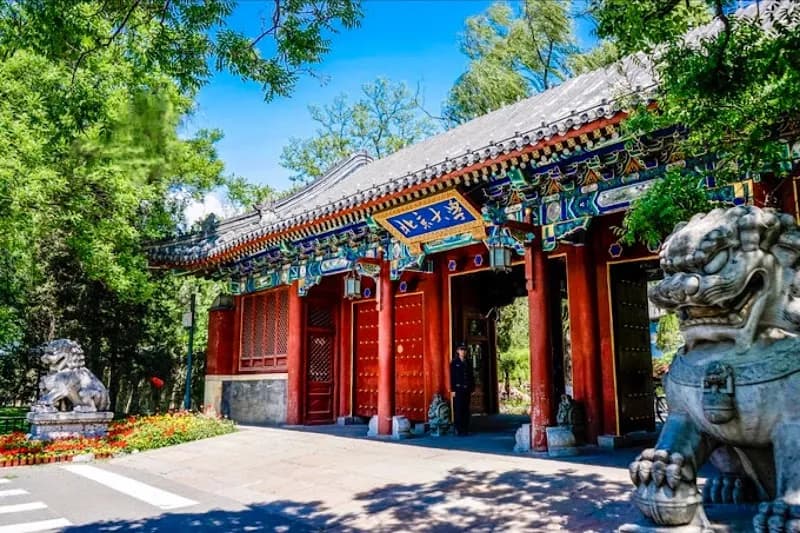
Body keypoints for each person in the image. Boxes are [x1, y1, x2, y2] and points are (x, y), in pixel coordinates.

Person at [450, 342, 474, 436]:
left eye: (464, 349)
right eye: (461, 349)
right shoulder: (454, 363)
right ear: (457, 351)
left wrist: (472, 388)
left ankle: (465, 428)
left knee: (466, 409)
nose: (463, 351)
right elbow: (452, 377)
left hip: (466, 389)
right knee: (458, 409)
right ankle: (458, 429)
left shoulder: (468, 362)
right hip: (458, 389)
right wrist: (452, 390)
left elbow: (471, 376)